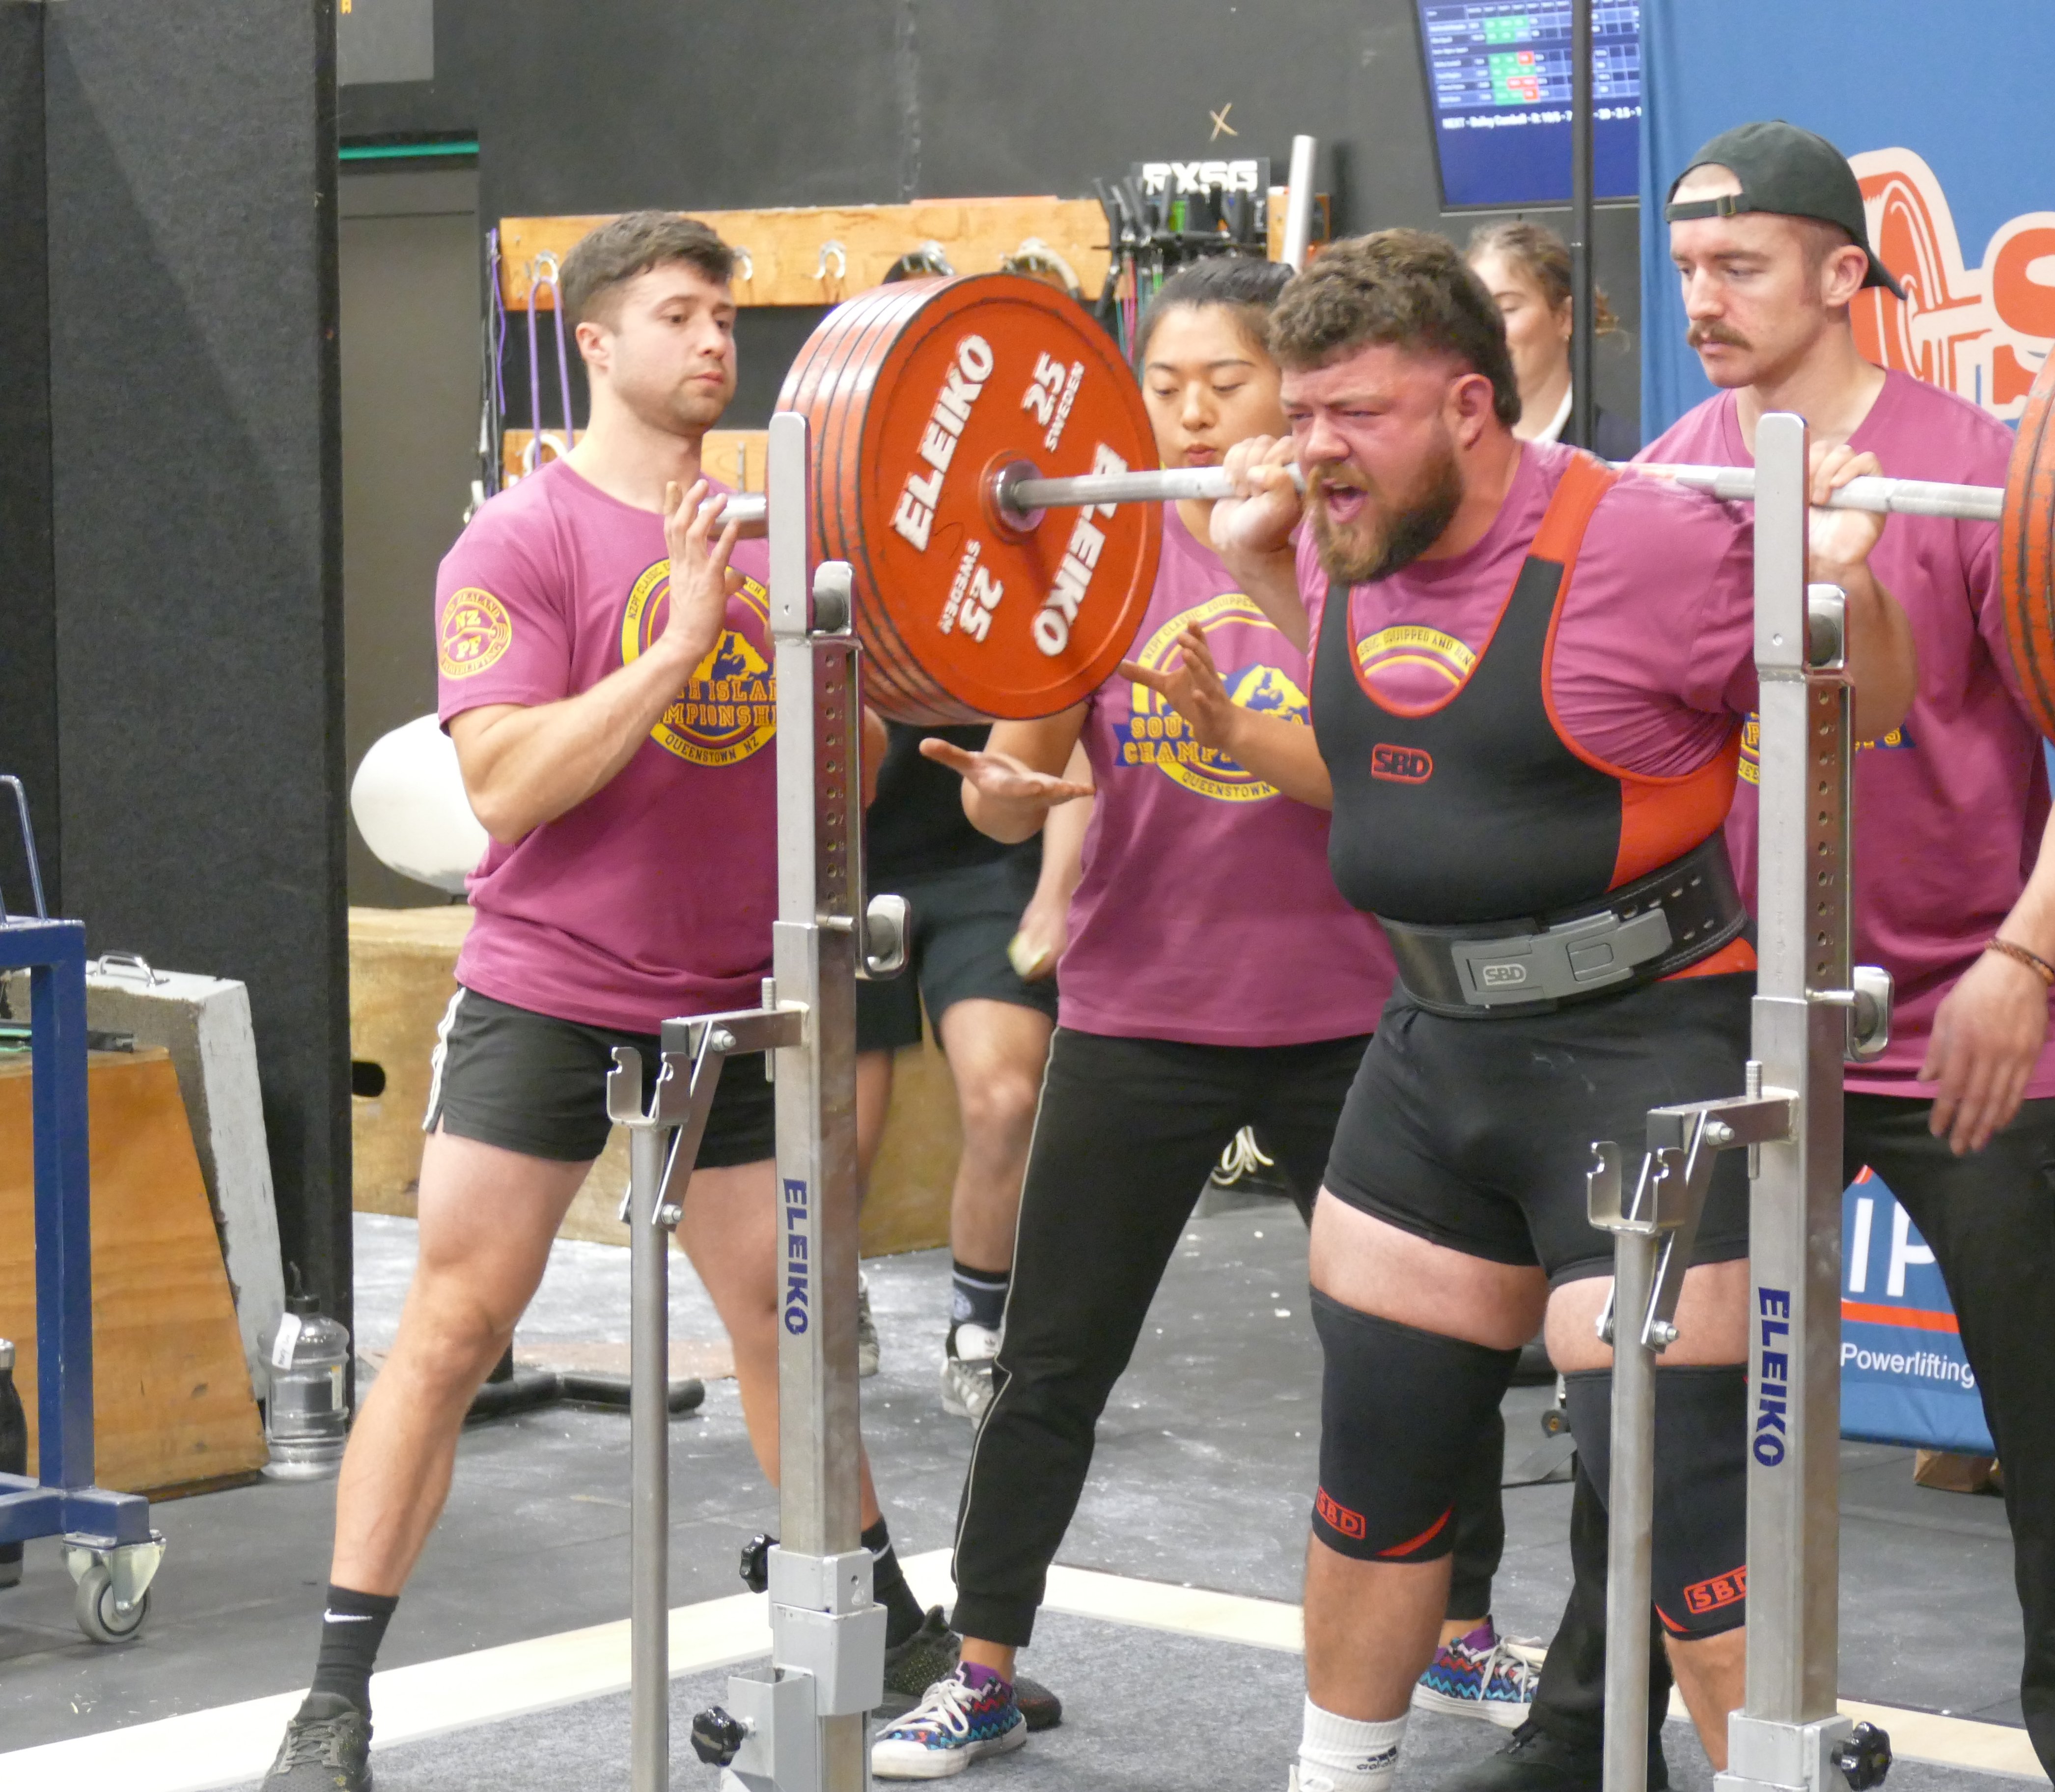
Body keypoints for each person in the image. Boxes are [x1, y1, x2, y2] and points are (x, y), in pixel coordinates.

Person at [1458, 122, 2055, 1792]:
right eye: (1688, 270)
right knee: (1641, 1402)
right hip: (1721, 1015)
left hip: (1962, 1018)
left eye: (1742, 268)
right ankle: (1584, 1738)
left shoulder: (1980, 472)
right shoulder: (1659, 482)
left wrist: (2021, 955)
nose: (1702, 300)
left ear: (1844, 274)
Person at [1185, 226, 1910, 1791]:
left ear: (1467, 406)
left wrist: (1849, 594)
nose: (1317, 451)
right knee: (1373, 1485)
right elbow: (1386, 751)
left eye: (1354, 415)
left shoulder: (1649, 543)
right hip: (1434, 1055)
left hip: (1647, 1053)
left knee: (1695, 1515)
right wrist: (1258, 565)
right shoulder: (1338, 535)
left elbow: (1887, 709)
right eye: (1301, 415)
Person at [260, 213, 939, 1791]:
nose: (716, 344)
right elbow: (504, 784)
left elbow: (846, 769)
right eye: (681, 316)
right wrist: (682, 645)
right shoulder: (521, 543)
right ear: (597, 344)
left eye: (727, 318)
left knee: (799, 1330)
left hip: (737, 1008)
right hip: (553, 996)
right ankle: (333, 1700)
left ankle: (887, 1616)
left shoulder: (786, 534)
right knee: (449, 1328)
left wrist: (865, 708)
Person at [869, 256, 1532, 1780]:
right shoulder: (1097, 560)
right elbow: (1010, 765)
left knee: (1426, 1347)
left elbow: (1383, 772)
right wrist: (1002, 783)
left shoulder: (1367, 563)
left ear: (1291, 396)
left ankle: (1466, 1627)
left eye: (1222, 385)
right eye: (1162, 388)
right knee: (1052, 1363)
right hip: (1142, 1016)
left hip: (1348, 1020)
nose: (1190, 414)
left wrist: (1241, 714)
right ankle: (979, 1665)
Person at [850, 717, 1080, 1413]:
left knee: (1007, 1097)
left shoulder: (1035, 605)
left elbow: (1075, 733)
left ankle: (975, 1330)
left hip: (988, 858)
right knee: (836, 1132)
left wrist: (1056, 893)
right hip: (838, 860)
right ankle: (828, 1295)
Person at [1466, 219, 1639, 459]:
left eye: (1507, 308)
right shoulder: (1453, 457)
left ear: (1565, 317)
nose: (1487, 329)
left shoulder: (1624, 458)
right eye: (1475, 312)